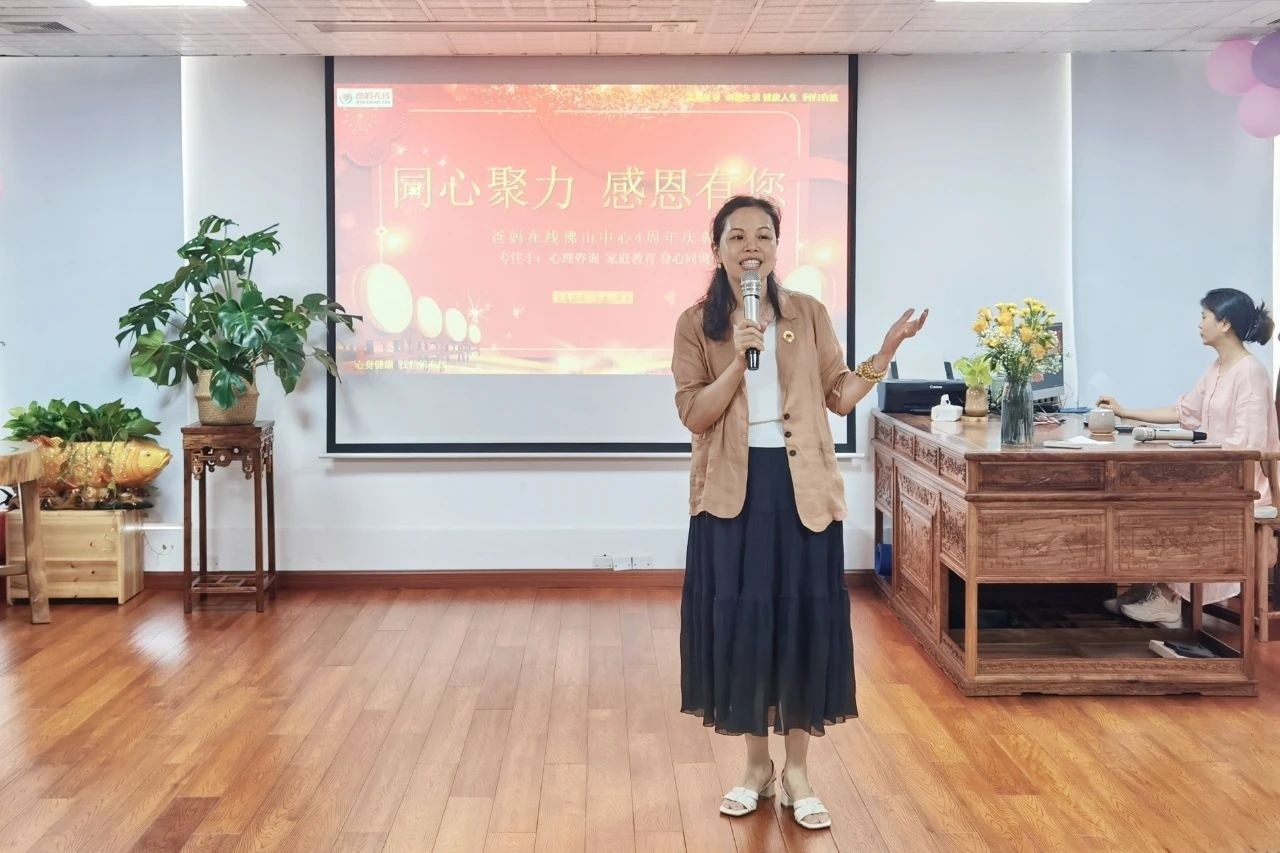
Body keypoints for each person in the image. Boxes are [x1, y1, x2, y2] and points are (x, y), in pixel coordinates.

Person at [672, 194, 927, 831]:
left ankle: (799, 773)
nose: (750, 247)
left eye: (763, 235)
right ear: (717, 250)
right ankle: (755, 766)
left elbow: (840, 396)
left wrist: (885, 351)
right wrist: (739, 361)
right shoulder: (696, 323)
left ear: (777, 247)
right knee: (743, 625)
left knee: (800, 625)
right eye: (737, 237)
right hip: (732, 493)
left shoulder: (807, 313)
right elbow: (695, 413)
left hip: (802, 491)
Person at [1097, 288, 1278, 627]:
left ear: (1225, 323)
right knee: (1147, 497)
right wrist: (1125, 412)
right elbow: (1184, 411)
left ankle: (1169, 597)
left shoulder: (1250, 373)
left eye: (1204, 316)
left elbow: (1248, 445)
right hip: (1218, 473)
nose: (1199, 323)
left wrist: (1197, 464)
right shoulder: (1218, 367)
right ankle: (1153, 585)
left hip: (1243, 482)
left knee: (1174, 504)